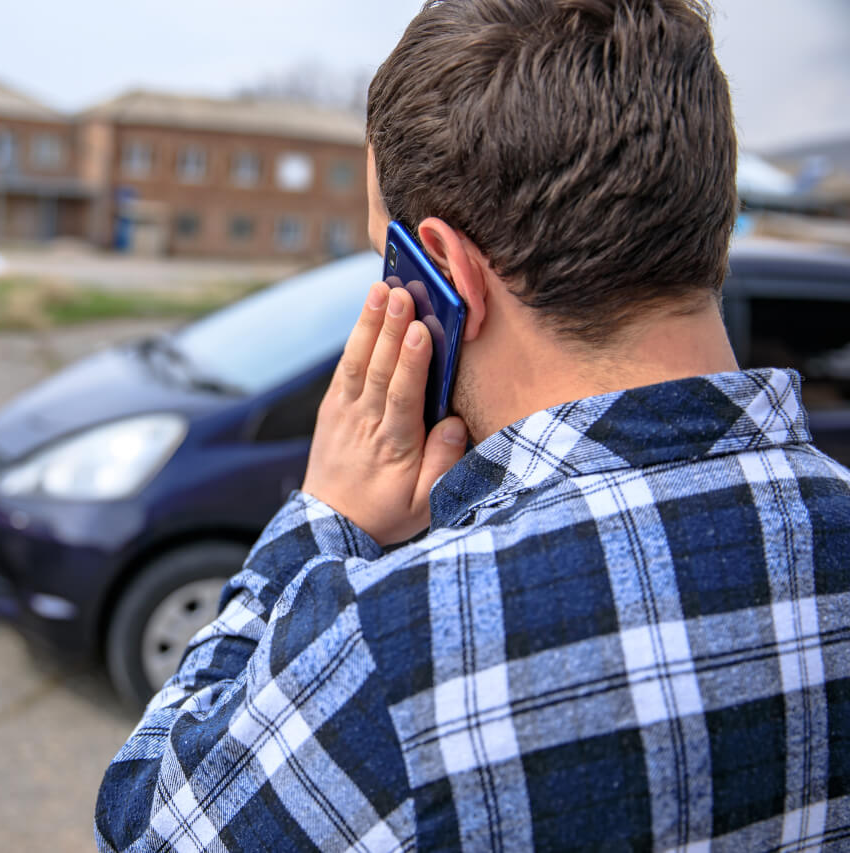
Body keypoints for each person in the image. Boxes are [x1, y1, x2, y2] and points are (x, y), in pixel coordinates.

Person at [95, 0, 850, 849]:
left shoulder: (396, 646)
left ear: (447, 270)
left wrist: (322, 522)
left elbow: (147, 819)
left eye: (387, 256)